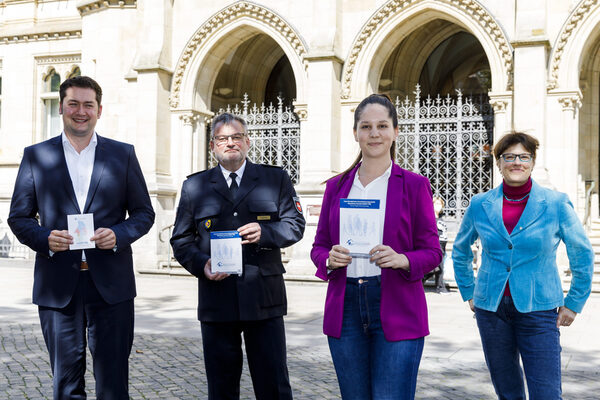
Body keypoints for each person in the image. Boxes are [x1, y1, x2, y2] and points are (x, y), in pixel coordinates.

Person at [8, 76, 155, 399]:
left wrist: (117, 234)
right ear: (61, 107)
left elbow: (144, 214)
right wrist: (45, 238)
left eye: (88, 105)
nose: (80, 111)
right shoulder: (36, 156)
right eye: (73, 103)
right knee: (66, 383)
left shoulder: (122, 155)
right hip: (58, 287)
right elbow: (18, 217)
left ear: (99, 110)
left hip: (111, 288)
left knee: (113, 383)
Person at [311, 94, 442, 399]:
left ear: (396, 132)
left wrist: (402, 259)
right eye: (366, 126)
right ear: (355, 133)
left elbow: (432, 251)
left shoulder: (414, 184)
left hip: (396, 303)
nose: (374, 133)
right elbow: (319, 246)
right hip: (345, 307)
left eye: (382, 125)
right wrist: (329, 259)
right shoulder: (336, 186)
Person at [170, 112, 305, 400]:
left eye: (236, 137)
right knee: (221, 387)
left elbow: (295, 225)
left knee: (274, 385)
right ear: (212, 146)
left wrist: (265, 232)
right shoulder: (195, 186)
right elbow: (181, 239)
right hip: (217, 298)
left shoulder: (274, 178)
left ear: (247, 141)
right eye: (222, 138)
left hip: (263, 298)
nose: (230, 143)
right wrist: (200, 264)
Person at [452, 131, 594, 399]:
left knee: (546, 392)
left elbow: (582, 253)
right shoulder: (480, 204)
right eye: (509, 157)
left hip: (539, 309)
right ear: (499, 163)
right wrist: (469, 292)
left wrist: (574, 302)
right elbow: (460, 250)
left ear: (532, 161)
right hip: (491, 309)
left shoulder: (555, 203)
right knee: (507, 390)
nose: (516, 162)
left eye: (523, 157)